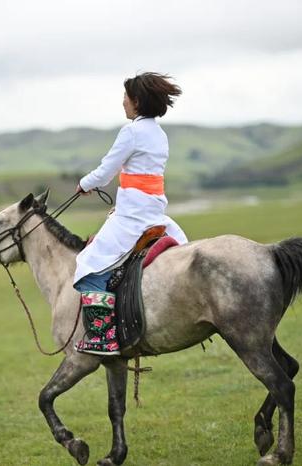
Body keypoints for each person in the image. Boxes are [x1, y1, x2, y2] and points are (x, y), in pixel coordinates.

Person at [74, 72, 189, 356]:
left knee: (88, 265)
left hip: (133, 217)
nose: (122, 102)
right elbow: (141, 177)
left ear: (136, 101)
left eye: (125, 97)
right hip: (154, 212)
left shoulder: (131, 132)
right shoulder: (160, 134)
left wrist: (84, 184)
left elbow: (106, 171)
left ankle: (103, 336)